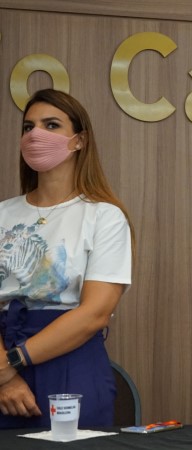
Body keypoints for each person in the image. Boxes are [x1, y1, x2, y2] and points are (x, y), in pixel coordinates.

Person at [0, 89, 134, 429]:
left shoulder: (104, 216)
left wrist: (13, 362)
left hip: (70, 362)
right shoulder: (3, 214)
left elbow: (94, 313)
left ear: (79, 140)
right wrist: (4, 376)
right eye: (28, 127)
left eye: (51, 125)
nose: (35, 135)